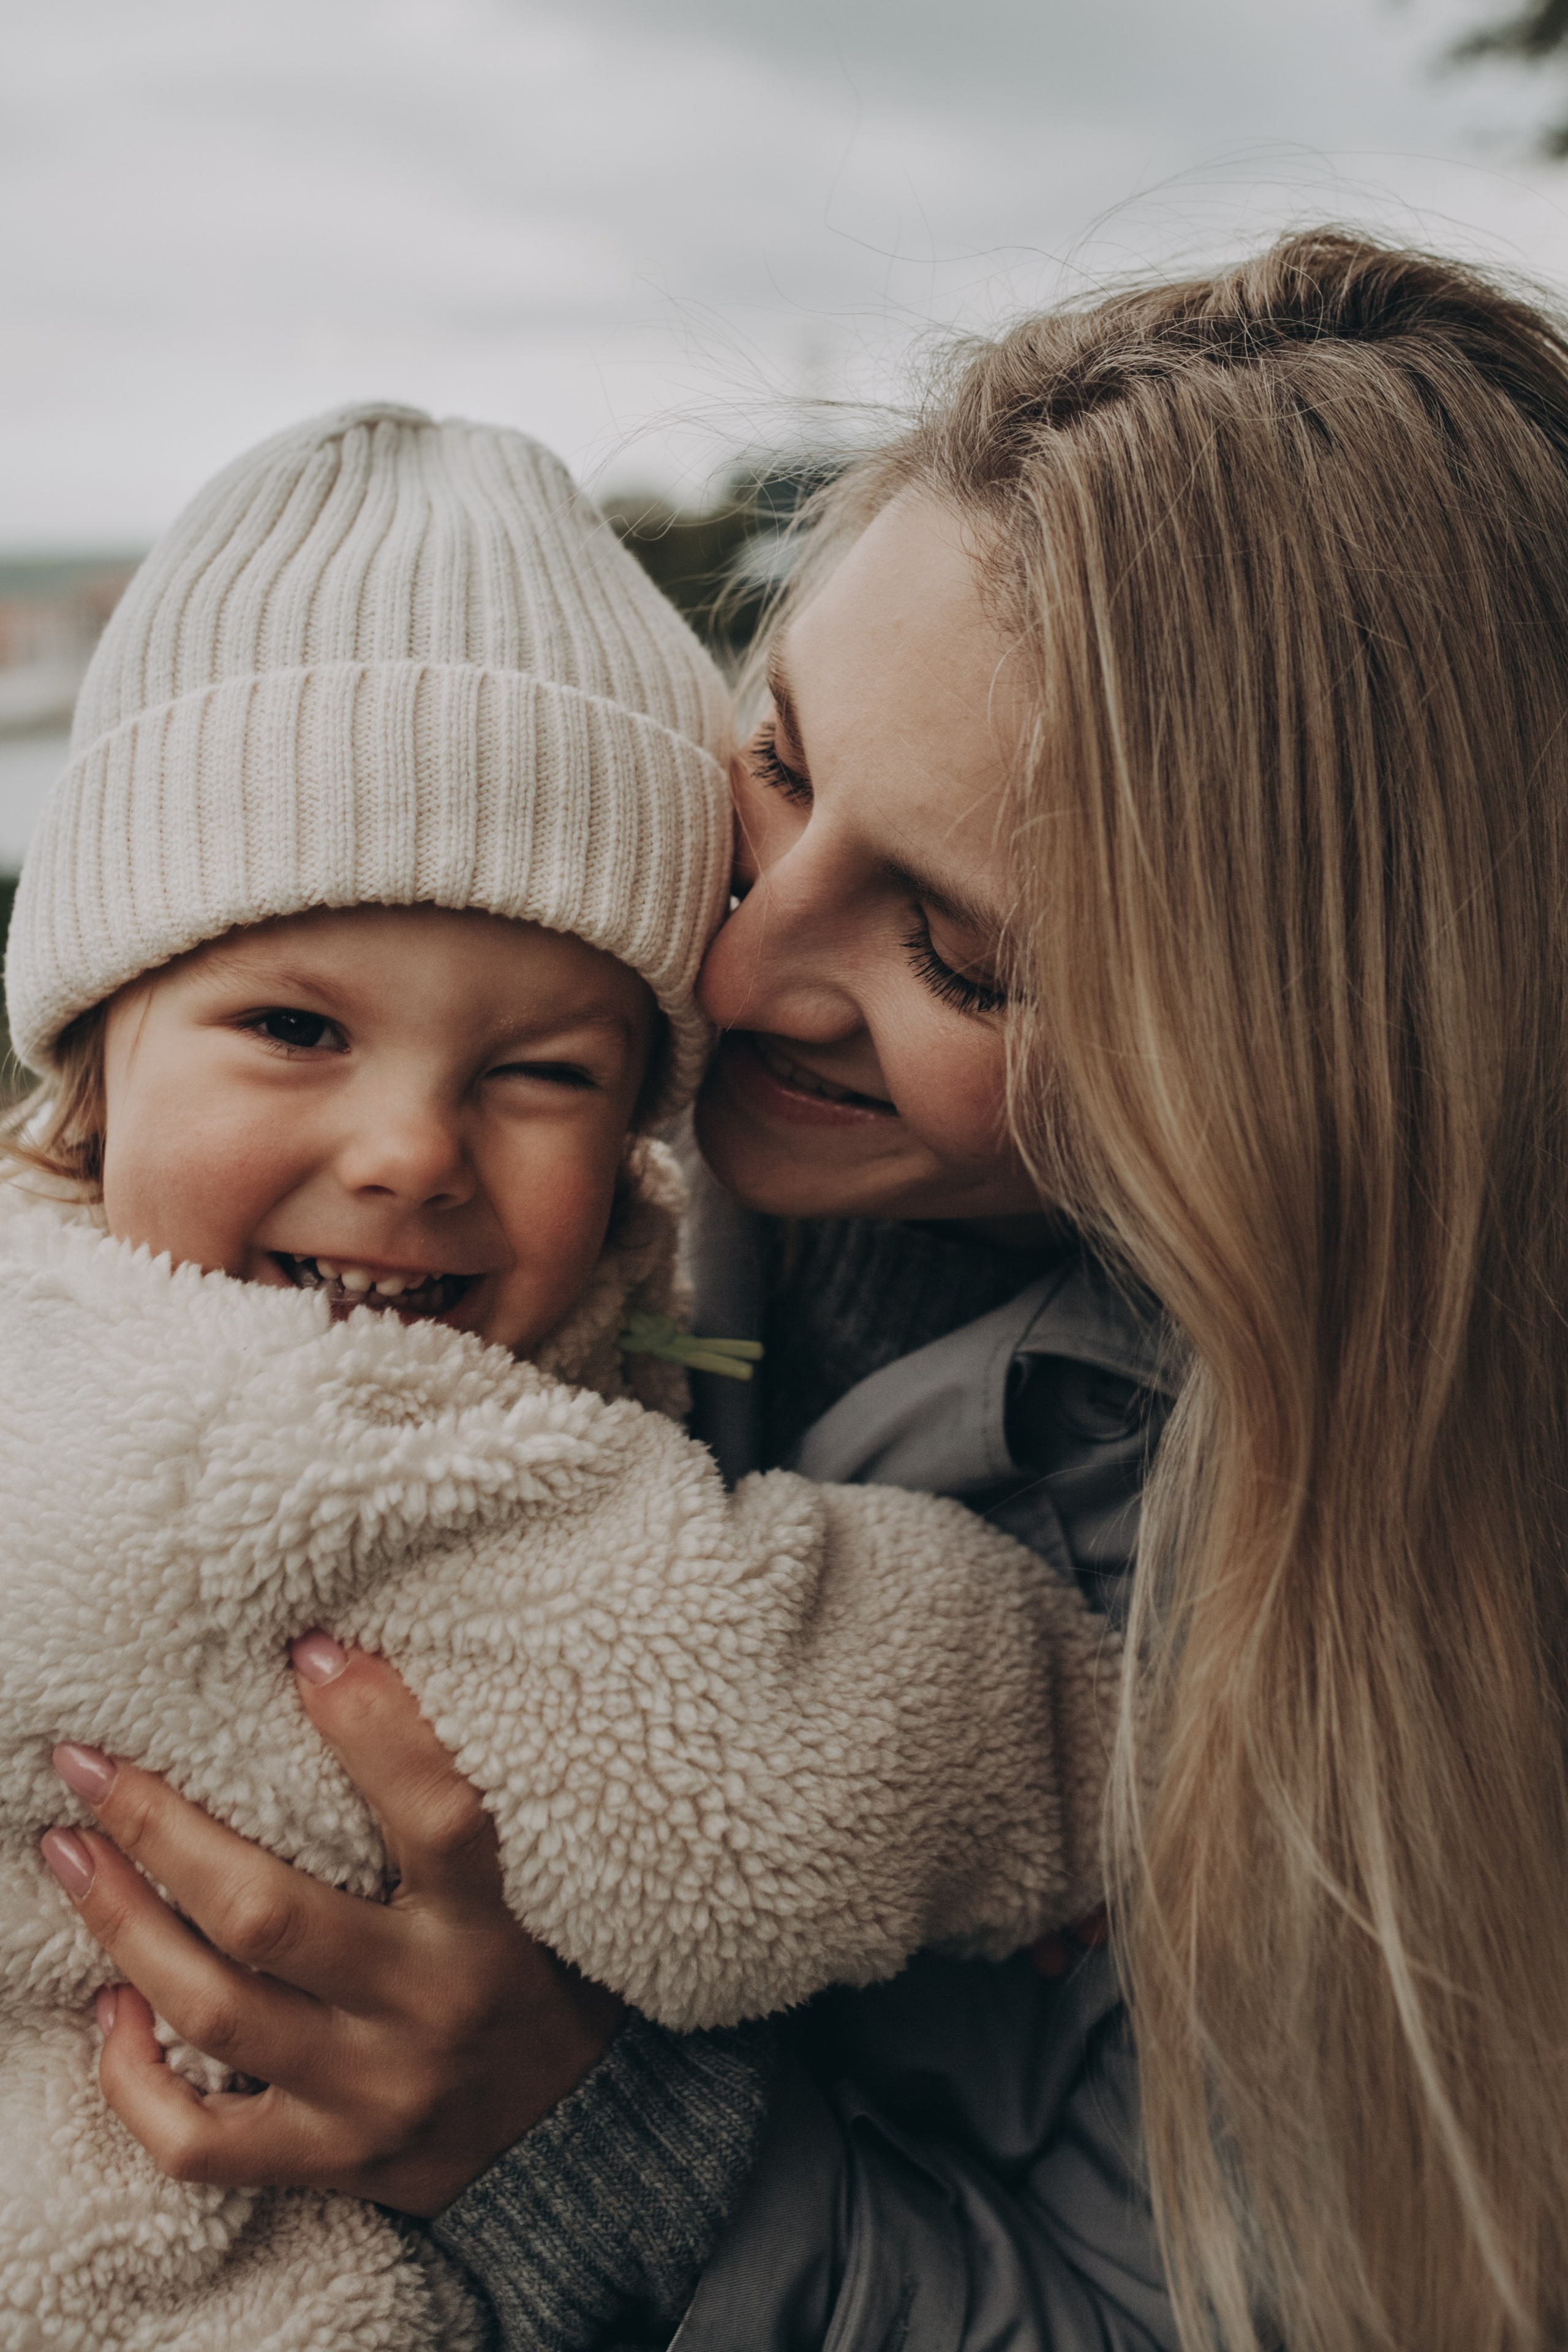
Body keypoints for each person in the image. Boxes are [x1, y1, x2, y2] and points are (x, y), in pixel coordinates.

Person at [56, 223, 1568, 2351]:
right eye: (774, 761)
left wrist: (570, 2143)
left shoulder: (1388, 1621)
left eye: (955, 950)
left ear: (1286, 1063)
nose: (737, 970)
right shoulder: (589, 1169)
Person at [2, 401, 1125, 2350]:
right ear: (93, 1066)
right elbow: (757, 1719)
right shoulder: (294, 1447)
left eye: (541, 1073)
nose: (410, 1151)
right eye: (293, 1025)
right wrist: (1107, 1741)